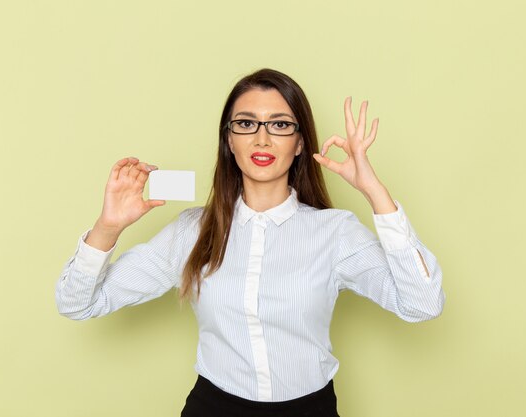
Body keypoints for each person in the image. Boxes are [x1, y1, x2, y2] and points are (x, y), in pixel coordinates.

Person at [55, 68, 445, 417]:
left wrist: (374, 191)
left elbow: (422, 304)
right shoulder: (193, 230)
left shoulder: (335, 232)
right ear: (229, 141)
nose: (261, 138)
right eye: (245, 124)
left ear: (298, 144)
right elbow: (76, 303)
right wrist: (108, 226)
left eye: (279, 125)